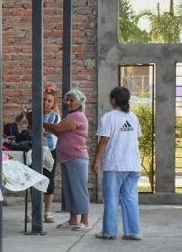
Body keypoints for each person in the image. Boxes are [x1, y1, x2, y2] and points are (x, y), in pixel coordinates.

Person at [91, 87, 142, 240]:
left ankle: (109, 232)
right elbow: (135, 137)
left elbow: (104, 141)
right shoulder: (133, 117)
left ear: (113, 100)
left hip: (115, 164)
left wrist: (96, 160)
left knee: (112, 197)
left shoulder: (109, 117)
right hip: (133, 164)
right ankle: (133, 232)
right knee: (130, 197)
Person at [44, 89, 90, 230]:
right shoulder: (70, 116)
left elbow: (58, 128)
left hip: (77, 158)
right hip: (68, 158)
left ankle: (85, 221)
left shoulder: (78, 116)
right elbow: (57, 130)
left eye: (72, 100)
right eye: (67, 100)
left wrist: (42, 123)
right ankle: (72, 220)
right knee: (70, 190)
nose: (68, 102)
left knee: (79, 189)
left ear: (80, 102)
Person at [41, 85, 61, 223]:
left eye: (49, 101)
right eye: (44, 100)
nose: (45, 103)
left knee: (48, 180)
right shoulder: (34, 113)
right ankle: (36, 210)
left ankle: (47, 212)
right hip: (35, 149)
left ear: (53, 104)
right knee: (34, 179)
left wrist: (33, 127)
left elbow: (45, 132)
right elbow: (19, 121)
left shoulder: (54, 117)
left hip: (50, 151)